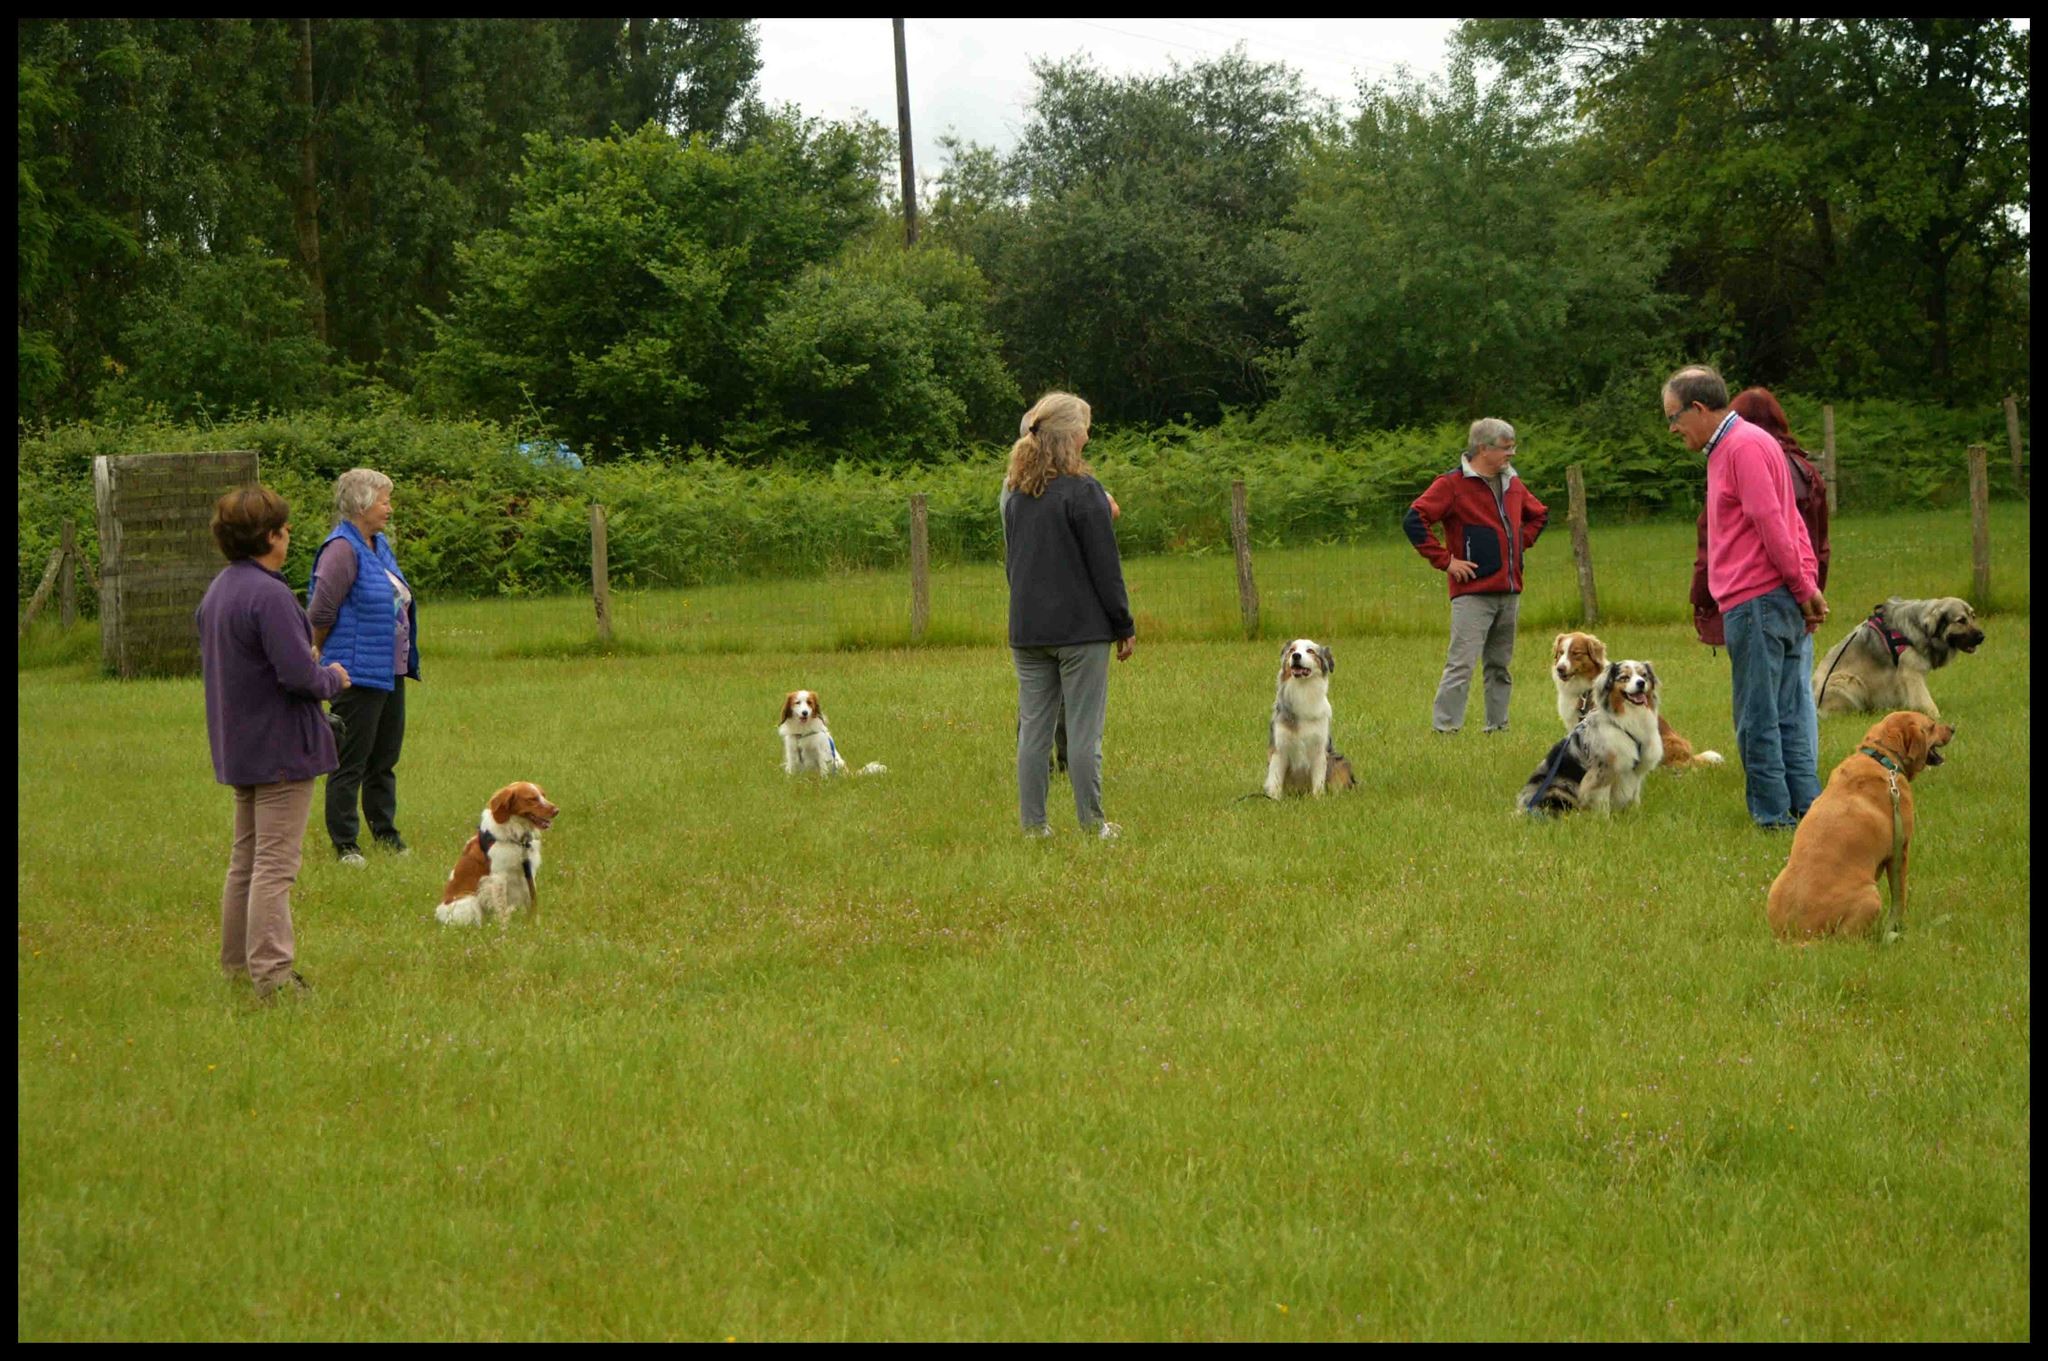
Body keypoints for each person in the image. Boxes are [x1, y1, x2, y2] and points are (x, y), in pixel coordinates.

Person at [195, 486, 351, 999]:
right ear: (270, 536)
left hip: (242, 747)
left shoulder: (220, 589)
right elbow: (299, 676)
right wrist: (332, 677)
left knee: (246, 860)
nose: (288, 537)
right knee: (274, 868)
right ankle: (274, 978)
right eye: (284, 530)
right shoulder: (270, 594)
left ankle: (238, 969)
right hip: (281, 749)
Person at [1664, 365, 1827, 829]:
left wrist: (1803, 588)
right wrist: (1806, 587)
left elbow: (1774, 522)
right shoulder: (1751, 443)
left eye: (1673, 417)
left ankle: (1774, 817)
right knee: (1790, 713)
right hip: (1775, 598)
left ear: (1698, 408)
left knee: (1760, 719)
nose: (1672, 429)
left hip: (1757, 602)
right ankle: (1808, 811)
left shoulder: (1741, 447)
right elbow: (1791, 520)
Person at [1001, 391, 1136, 839]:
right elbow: (1106, 568)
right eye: (1085, 427)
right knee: (1083, 735)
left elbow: (1013, 563)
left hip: (1027, 630)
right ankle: (1092, 824)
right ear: (1070, 437)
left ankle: (1034, 827)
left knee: (1033, 734)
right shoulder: (1085, 492)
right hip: (1081, 632)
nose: (1089, 434)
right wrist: (1123, 624)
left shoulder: (1015, 494)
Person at [1404, 418, 1549, 734]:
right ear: (1483, 448)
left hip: (1509, 591)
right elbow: (1414, 520)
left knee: (1500, 666)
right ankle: (1445, 729)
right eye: (1506, 448)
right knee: (1461, 665)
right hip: (1472, 593)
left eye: (1513, 447)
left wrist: (1516, 546)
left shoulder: (1512, 482)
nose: (1512, 454)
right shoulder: (1451, 485)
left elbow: (1539, 514)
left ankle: (1498, 727)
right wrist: (1446, 561)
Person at [308, 468, 419, 866]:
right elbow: (321, 609)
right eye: (385, 500)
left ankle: (386, 834)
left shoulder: (379, 543)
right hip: (354, 670)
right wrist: (316, 652)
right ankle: (346, 844)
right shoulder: (341, 549)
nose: (390, 507)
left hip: (389, 668)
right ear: (362, 504)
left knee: (384, 758)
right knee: (350, 759)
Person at [1690, 386, 1831, 647]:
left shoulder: (1739, 452)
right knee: (1794, 688)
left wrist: (1700, 602)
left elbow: (1714, 539)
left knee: (1761, 689)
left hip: (1761, 597)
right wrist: (1810, 590)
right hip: (1799, 596)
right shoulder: (1805, 471)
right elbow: (1817, 544)